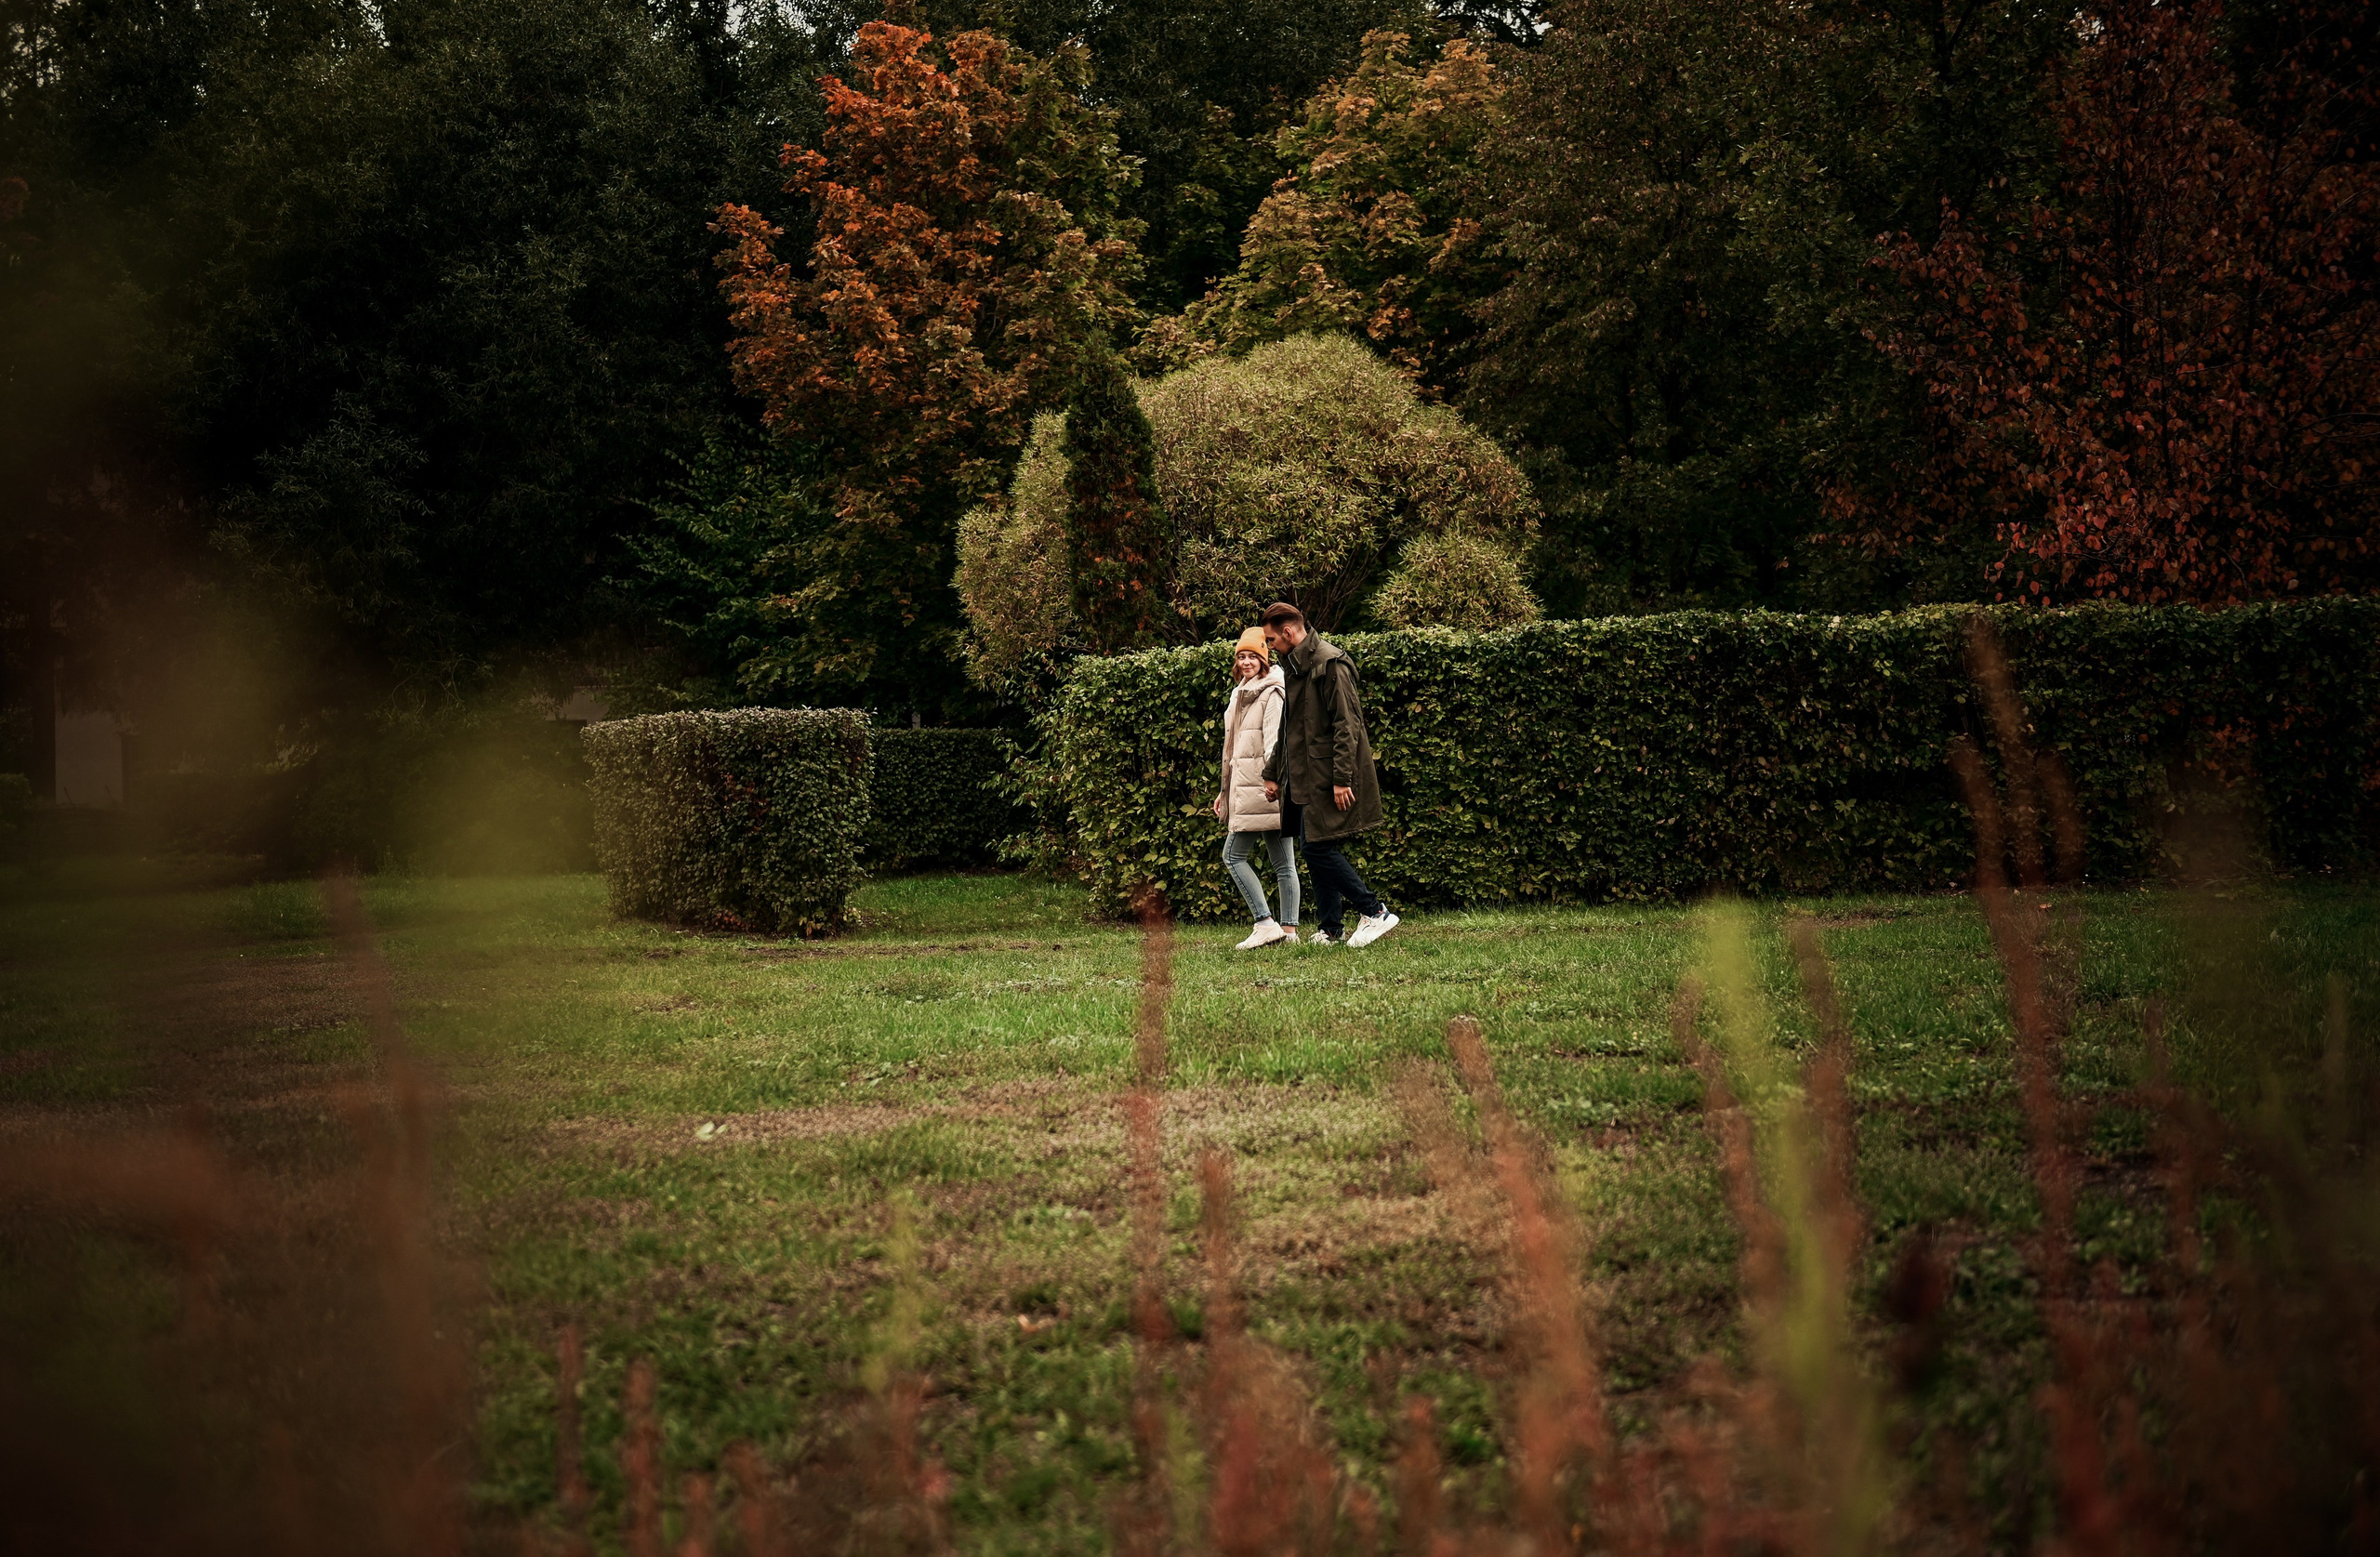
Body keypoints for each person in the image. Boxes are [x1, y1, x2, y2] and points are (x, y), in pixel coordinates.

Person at [1258, 602, 1399, 947]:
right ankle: (1331, 929)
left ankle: (1375, 911)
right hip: (1305, 776)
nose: (1270, 646)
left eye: (1272, 639)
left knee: (1317, 848)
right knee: (1315, 845)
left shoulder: (1330, 663)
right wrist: (1273, 772)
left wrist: (1342, 778)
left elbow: (1347, 725)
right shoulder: (1294, 666)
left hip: (1326, 774)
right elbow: (1289, 728)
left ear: (1289, 632)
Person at [1213, 627, 1301, 949]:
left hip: (1263, 788)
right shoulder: (1241, 691)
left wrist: (1273, 780)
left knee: (1233, 856)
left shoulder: (1272, 692)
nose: (1247, 661)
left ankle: (1265, 922)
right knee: (1283, 863)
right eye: (1242, 656)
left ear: (1263, 660)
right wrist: (1224, 791)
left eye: (1252, 656)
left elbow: (1274, 741)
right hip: (1248, 787)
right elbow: (1233, 749)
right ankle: (1288, 933)